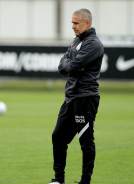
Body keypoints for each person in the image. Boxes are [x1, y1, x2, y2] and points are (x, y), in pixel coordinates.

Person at [48, 8, 104, 184]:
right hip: (71, 97)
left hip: (85, 98)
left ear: (87, 23)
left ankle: (85, 181)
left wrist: (70, 64)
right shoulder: (76, 43)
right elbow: (62, 65)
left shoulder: (93, 44)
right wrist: (70, 64)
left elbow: (72, 65)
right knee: (58, 137)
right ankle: (59, 180)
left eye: (75, 23)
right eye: (72, 22)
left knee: (85, 140)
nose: (72, 26)